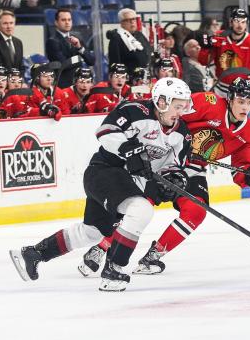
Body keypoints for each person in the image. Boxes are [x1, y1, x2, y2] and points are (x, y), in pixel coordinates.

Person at [10, 77, 193, 292]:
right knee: (141, 210)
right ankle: (113, 268)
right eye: (177, 106)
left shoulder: (182, 134)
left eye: (183, 106)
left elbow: (172, 166)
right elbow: (105, 131)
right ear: (161, 101)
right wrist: (130, 150)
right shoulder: (135, 110)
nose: (180, 111)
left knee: (94, 231)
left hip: (126, 182)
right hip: (104, 171)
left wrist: (172, 180)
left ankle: (34, 253)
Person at [129, 78, 250, 275]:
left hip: (193, 168)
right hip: (165, 157)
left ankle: (153, 256)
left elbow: (241, 167)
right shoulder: (208, 102)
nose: (245, 107)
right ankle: (102, 247)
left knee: (196, 211)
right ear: (230, 99)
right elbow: (170, 116)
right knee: (142, 203)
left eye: (249, 102)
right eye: (240, 101)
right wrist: (181, 144)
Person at [198, 8, 250, 97]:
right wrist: (205, 48)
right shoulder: (219, 36)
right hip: (220, 90)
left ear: (247, 24)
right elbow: (204, 61)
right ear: (231, 22)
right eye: (237, 21)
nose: (240, 25)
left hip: (242, 91)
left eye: (243, 22)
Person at [45, 8, 96, 88]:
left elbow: (91, 61)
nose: (67, 22)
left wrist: (79, 47)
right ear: (56, 22)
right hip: (63, 85)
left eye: (69, 20)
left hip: (80, 83)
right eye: (63, 20)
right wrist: (80, 60)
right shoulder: (52, 41)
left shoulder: (77, 37)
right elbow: (64, 65)